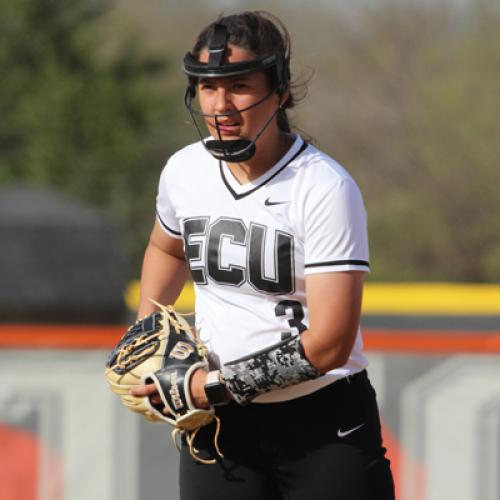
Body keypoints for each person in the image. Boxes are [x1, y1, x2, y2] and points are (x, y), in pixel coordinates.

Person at [131, 10, 395, 500]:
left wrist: (209, 387)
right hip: (219, 433)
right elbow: (165, 248)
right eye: (208, 87)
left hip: (322, 426)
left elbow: (330, 345)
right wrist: (148, 330)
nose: (221, 104)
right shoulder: (186, 170)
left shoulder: (323, 187)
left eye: (239, 85)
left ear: (281, 89)